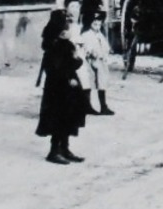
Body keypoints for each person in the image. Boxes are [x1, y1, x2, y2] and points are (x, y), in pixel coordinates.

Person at [37, 13, 87, 164]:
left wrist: (77, 58)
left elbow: (75, 63)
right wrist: (69, 78)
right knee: (58, 118)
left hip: (68, 88)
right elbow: (55, 68)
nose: (68, 29)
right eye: (65, 27)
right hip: (58, 89)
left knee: (69, 117)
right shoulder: (54, 47)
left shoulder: (66, 44)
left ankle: (65, 148)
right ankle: (54, 151)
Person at [78, 15, 114, 115]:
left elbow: (106, 47)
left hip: (101, 61)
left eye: (99, 24)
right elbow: (86, 48)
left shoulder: (100, 35)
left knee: (102, 82)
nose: (97, 26)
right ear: (90, 23)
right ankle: (88, 105)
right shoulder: (86, 35)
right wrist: (92, 53)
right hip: (91, 61)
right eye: (95, 24)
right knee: (88, 82)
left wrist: (106, 52)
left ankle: (103, 106)